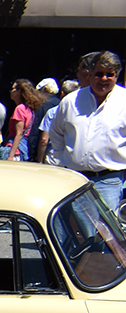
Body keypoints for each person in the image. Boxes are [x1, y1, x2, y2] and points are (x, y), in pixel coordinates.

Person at [49, 49, 126, 210]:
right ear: (89, 74)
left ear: (117, 75)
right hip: (74, 179)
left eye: (109, 74)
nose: (104, 79)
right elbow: (56, 133)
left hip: (109, 181)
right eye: (99, 74)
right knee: (74, 230)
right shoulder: (71, 101)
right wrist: (63, 158)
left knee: (105, 232)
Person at [4, 79, 43, 161]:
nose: (10, 91)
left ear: (19, 92)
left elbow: (19, 134)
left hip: (15, 150)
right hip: (24, 147)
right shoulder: (29, 109)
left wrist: (11, 156)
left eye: (13, 88)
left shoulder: (19, 109)